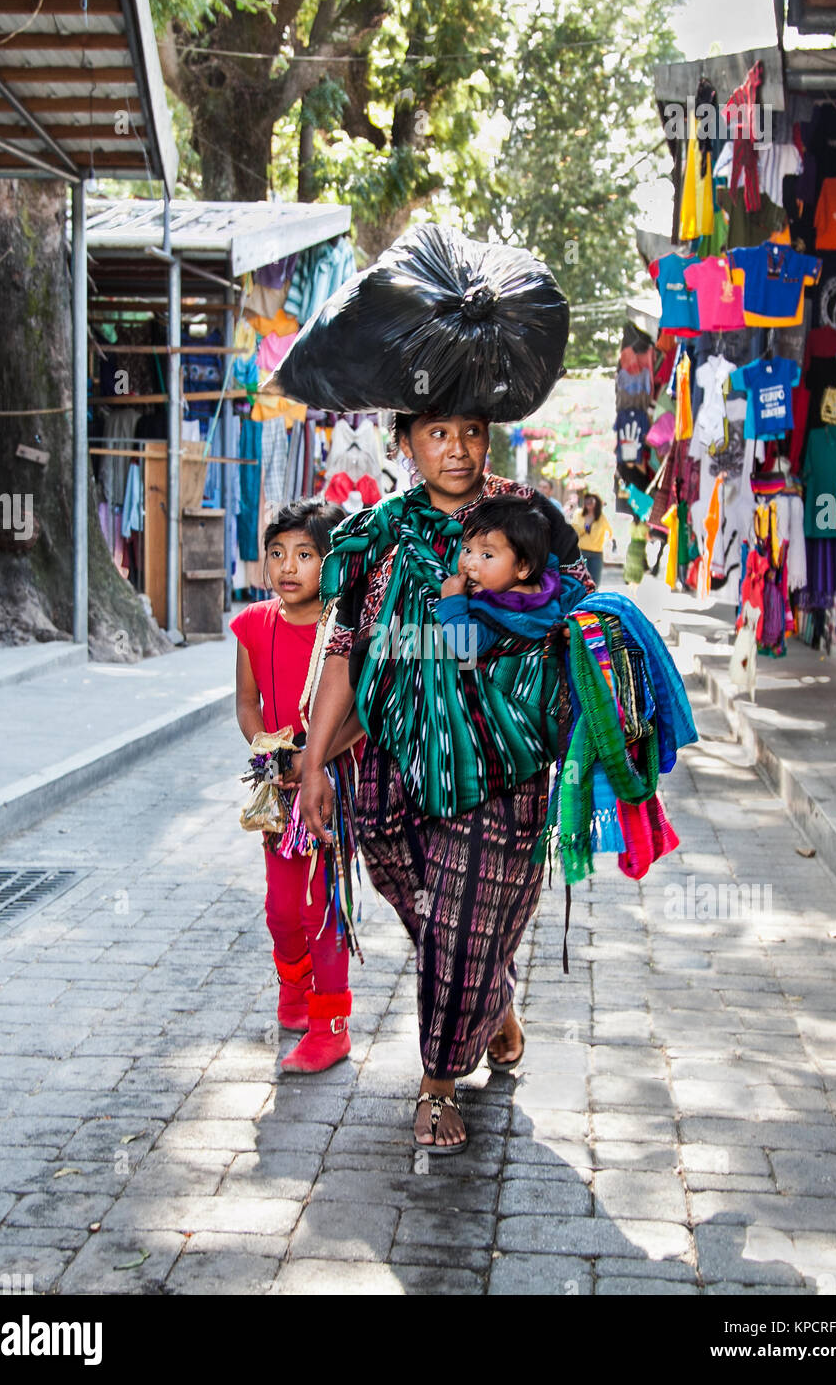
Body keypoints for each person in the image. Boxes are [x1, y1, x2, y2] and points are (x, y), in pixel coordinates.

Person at [299, 413, 594, 1154]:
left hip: (505, 764)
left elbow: (580, 624)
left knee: (466, 920)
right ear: (403, 443)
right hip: (398, 762)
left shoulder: (531, 520)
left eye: (470, 429)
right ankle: (489, 1001)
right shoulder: (373, 536)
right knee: (429, 908)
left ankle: (437, 1084)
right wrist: (313, 762)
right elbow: (343, 650)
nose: (455, 446)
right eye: (436, 432)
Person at [232, 498, 363, 1074]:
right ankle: (295, 986)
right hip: (276, 786)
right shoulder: (253, 626)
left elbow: (361, 712)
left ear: (330, 564)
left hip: (332, 783)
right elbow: (246, 703)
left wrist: (310, 760)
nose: (288, 567)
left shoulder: (345, 632)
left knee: (321, 906)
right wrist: (268, 750)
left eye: (306, 555)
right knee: (281, 910)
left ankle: (331, 1025)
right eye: (278, 554)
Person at [436, 495, 569, 661]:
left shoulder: (499, 610)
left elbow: (466, 646)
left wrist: (452, 600)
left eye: (486, 555)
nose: (469, 564)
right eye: (467, 550)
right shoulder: (550, 582)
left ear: (523, 567)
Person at [572, 492, 614, 585]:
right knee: (580, 582)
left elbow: (610, 532)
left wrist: (608, 543)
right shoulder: (578, 514)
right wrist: (587, 524)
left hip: (597, 553)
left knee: (595, 583)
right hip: (581, 552)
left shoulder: (601, 517)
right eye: (587, 501)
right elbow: (575, 532)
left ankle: (593, 599)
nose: (589, 504)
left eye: (592, 501)